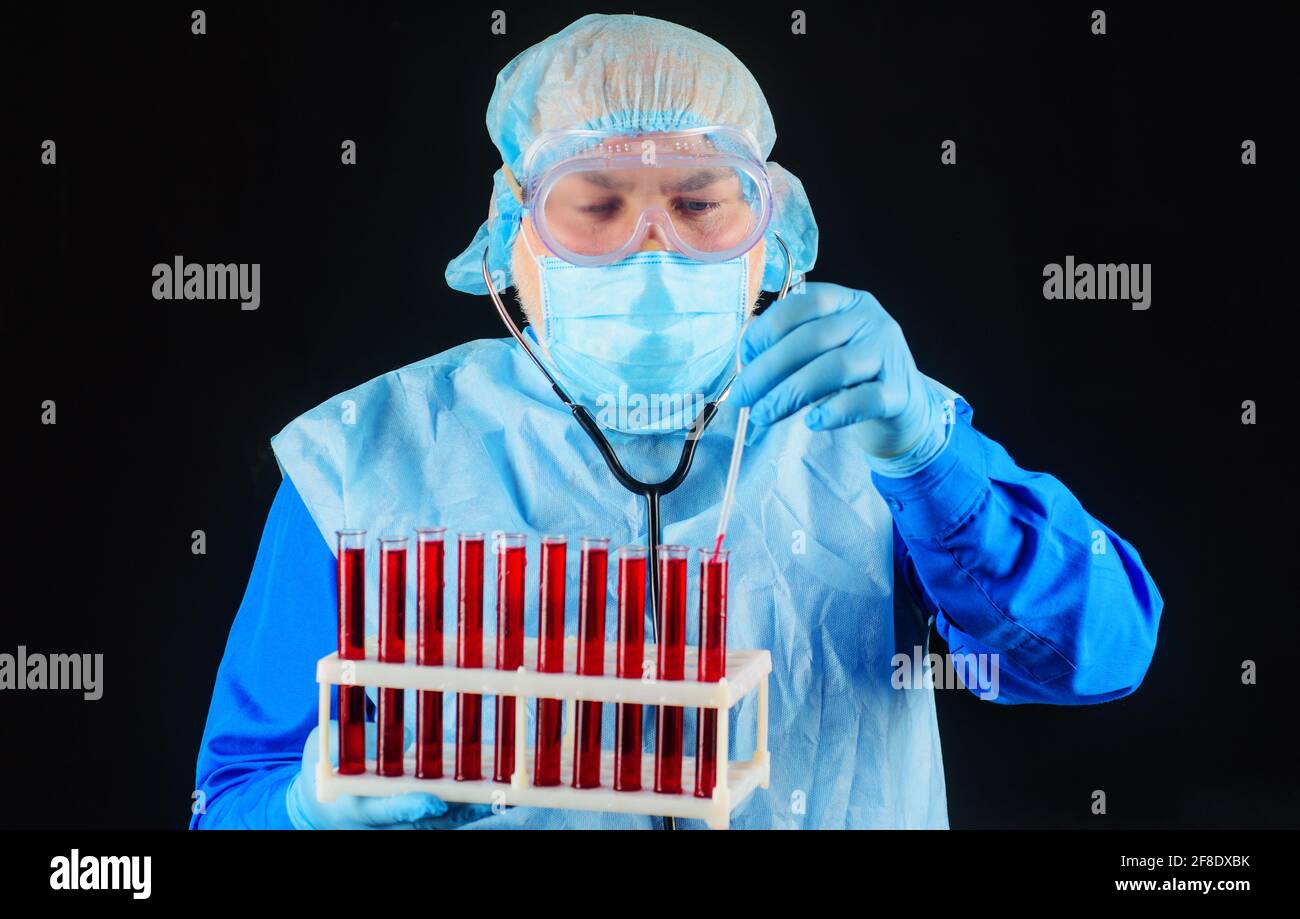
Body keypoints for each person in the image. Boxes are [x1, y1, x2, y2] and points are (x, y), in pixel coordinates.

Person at [191, 14, 1162, 830]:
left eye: (699, 202)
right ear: (511, 233)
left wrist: (927, 457)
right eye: (595, 203)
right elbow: (227, 801)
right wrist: (311, 806)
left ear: (770, 227)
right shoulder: (371, 453)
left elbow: (1097, 656)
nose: (650, 249)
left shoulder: (865, 417)